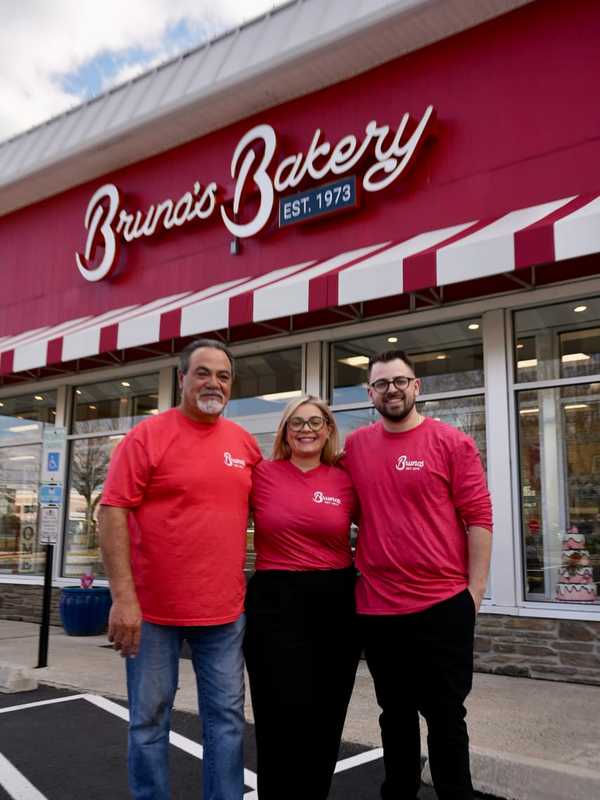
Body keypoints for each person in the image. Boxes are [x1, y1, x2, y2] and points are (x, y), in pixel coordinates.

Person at [98, 338, 261, 800]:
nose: (214, 383)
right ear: (182, 378)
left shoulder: (245, 445)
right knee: (149, 720)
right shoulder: (147, 436)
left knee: (227, 722)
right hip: (151, 613)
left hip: (224, 613)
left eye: (224, 376)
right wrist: (124, 598)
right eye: (204, 373)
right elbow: (112, 513)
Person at [343, 349, 492, 800]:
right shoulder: (355, 447)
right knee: (395, 715)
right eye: (382, 384)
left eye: (399, 381)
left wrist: (474, 593)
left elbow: (479, 518)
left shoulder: (450, 442)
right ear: (370, 393)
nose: (392, 390)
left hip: (443, 606)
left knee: (446, 715)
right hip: (379, 607)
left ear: (416, 387)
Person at [244, 395, 360, 800]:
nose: (306, 429)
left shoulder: (345, 479)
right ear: (285, 431)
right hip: (274, 602)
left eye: (315, 422)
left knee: (325, 715)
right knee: (277, 715)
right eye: (297, 422)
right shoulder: (261, 474)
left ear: (328, 429)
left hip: (335, 602)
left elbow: (386, 528)